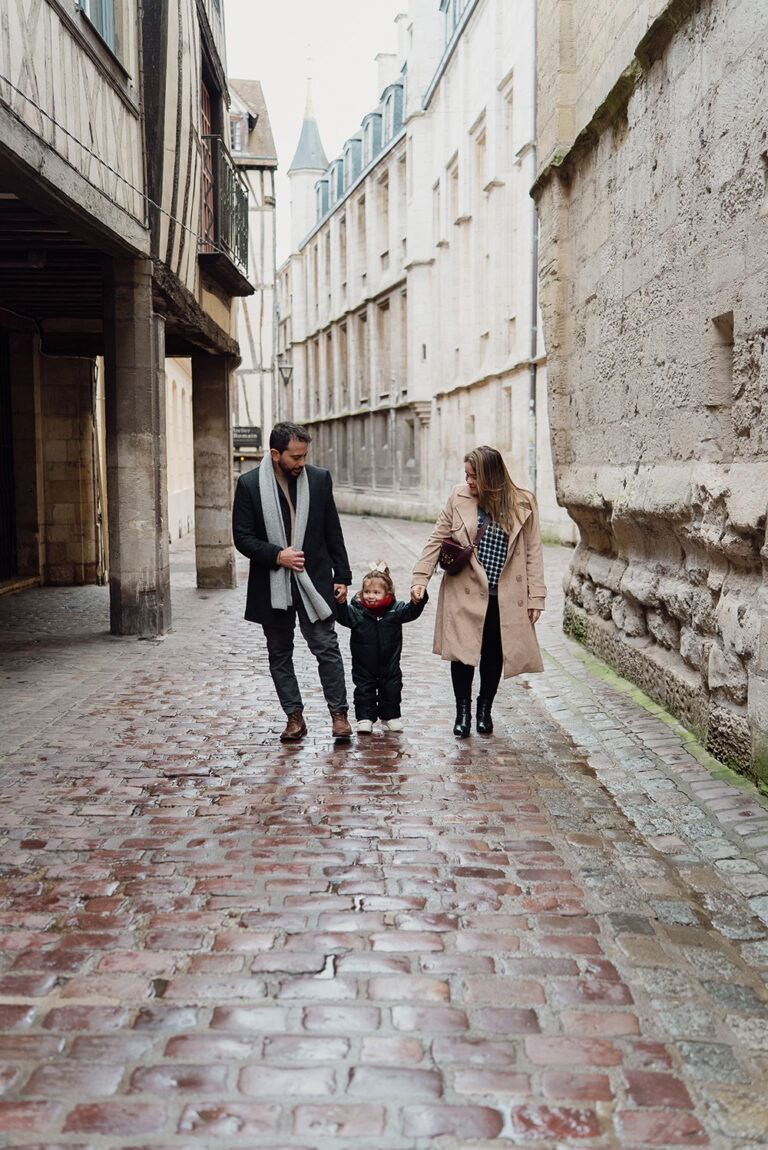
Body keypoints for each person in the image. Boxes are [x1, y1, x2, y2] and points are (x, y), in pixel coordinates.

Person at [411, 445, 546, 737]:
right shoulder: (458, 497)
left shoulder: (524, 502)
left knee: (493, 653)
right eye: (467, 475)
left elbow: (533, 553)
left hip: (504, 594)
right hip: (465, 589)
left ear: (491, 476)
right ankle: (463, 713)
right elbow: (437, 539)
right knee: (462, 653)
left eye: (474, 476)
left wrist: (536, 597)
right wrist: (420, 578)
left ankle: (485, 709)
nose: (469, 481)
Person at [232, 421, 353, 742]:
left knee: (326, 647)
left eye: (304, 456)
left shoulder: (319, 479)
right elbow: (242, 537)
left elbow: (332, 530)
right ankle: (294, 718)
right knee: (279, 652)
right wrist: (277, 555)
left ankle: (339, 716)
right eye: (295, 457)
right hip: (272, 584)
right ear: (275, 454)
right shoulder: (249, 485)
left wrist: (342, 576)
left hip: (315, 579)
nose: (301, 462)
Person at [336, 561, 427, 735]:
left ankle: (390, 716)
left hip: (389, 662)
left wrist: (418, 601)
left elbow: (411, 612)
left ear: (387, 593)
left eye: (376, 592)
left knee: (391, 689)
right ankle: (365, 718)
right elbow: (342, 616)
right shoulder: (357, 612)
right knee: (364, 689)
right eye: (367, 592)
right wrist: (340, 603)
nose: (371, 596)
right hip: (364, 663)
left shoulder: (396, 611)